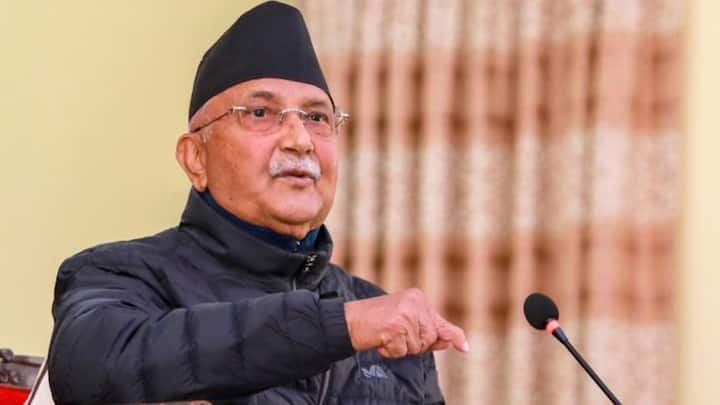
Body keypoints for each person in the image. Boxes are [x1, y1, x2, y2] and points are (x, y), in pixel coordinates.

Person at [47, 2, 468, 404]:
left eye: (317, 118)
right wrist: (342, 326)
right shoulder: (119, 275)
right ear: (196, 158)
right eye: (261, 113)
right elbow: (88, 370)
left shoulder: (382, 322)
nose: (300, 140)